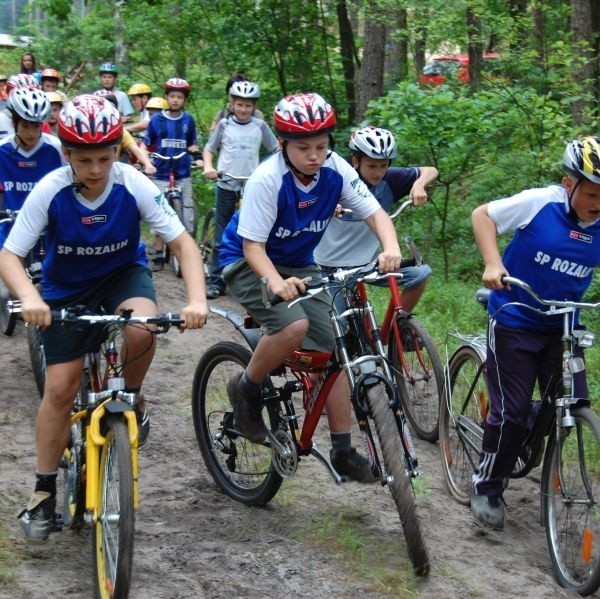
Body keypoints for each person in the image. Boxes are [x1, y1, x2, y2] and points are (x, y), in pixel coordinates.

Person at [0, 94, 208, 542]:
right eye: (84, 159)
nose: (95, 170)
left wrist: (196, 299)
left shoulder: (133, 183)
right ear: (66, 155)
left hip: (121, 277)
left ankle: (130, 396)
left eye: (105, 157)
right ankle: (43, 491)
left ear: (118, 151)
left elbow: (184, 245)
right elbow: (10, 255)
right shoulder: (50, 189)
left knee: (142, 329)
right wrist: (30, 297)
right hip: (65, 289)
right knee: (59, 389)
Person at [219, 92, 403, 482]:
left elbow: (375, 213)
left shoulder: (337, 170)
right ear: (283, 144)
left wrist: (391, 247)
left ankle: (342, 450)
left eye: (321, 146)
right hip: (249, 260)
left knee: (336, 349)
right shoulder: (268, 179)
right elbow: (252, 246)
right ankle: (247, 386)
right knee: (294, 326)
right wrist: (276, 282)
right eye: (303, 147)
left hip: (300, 262)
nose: (314, 155)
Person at [469, 136, 600, 531]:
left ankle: (538, 442)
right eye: (592, 192)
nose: (599, 202)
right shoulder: (540, 203)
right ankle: (487, 484)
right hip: (515, 318)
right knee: (511, 412)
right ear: (568, 184)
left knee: (575, 399)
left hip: (563, 325)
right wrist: (494, 264)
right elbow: (482, 216)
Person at [315, 126, 437, 312]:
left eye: (383, 165)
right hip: (331, 266)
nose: (378, 173)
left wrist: (419, 184)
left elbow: (430, 170)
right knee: (333, 329)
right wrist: (326, 203)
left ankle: (395, 330)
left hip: (368, 261)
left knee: (419, 275)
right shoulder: (339, 178)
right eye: (371, 166)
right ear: (356, 161)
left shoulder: (391, 179)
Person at [203, 81, 279, 299]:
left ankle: (255, 278)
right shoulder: (224, 125)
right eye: (239, 105)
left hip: (252, 187)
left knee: (255, 233)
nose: (243, 109)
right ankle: (216, 280)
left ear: (254, 106)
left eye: (248, 105)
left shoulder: (260, 126)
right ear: (232, 104)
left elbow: (276, 149)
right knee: (222, 234)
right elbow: (209, 149)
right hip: (226, 182)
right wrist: (209, 167)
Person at [140, 78, 203, 270]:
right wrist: (146, 161)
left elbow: (192, 143)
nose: (176, 100)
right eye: (172, 96)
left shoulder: (188, 120)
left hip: (182, 171)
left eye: (180, 97)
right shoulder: (157, 120)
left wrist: (198, 157)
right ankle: (159, 252)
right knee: (160, 211)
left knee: (187, 213)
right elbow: (145, 144)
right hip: (161, 172)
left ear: (185, 100)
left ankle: (187, 251)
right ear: (166, 97)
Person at [0, 87, 65, 250]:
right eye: (25, 125)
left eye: (36, 126)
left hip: (49, 232)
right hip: (10, 232)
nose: (31, 133)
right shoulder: (2, 150)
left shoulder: (56, 148)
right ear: (14, 122)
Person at [93, 89, 155, 174]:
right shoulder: (84, 134)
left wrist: (148, 164)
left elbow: (134, 148)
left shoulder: (119, 131)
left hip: (112, 172)